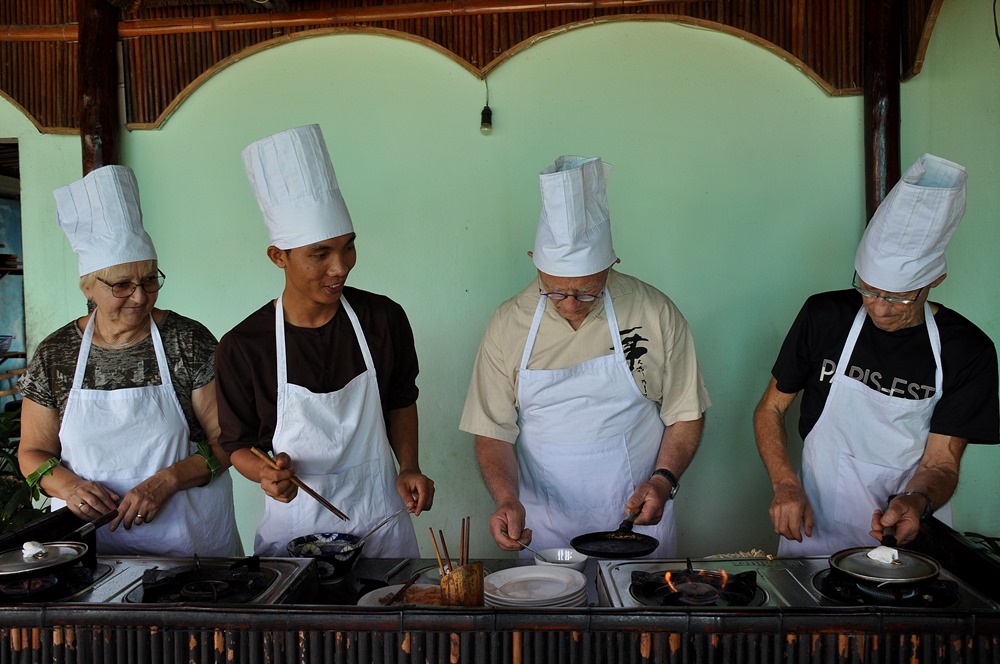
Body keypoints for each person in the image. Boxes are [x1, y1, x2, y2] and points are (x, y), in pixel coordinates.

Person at [461, 155, 711, 557]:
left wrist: (663, 481)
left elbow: (685, 412)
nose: (572, 305)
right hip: (542, 525)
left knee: (641, 619)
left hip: (636, 521)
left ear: (611, 265)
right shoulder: (509, 324)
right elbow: (492, 431)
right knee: (555, 619)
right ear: (535, 263)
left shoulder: (654, 312)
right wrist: (506, 499)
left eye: (588, 291)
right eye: (555, 291)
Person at [754, 153, 1000, 556]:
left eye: (898, 297)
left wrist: (917, 502)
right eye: (867, 289)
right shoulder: (825, 316)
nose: (879, 307)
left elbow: (941, 464)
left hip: (906, 538)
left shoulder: (967, 350)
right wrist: (784, 483)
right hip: (814, 529)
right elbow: (770, 410)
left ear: (934, 280)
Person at [217, 124, 434, 558]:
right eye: (320, 254)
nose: (340, 268)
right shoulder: (244, 345)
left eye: (347, 248)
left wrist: (408, 466)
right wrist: (265, 475)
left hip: (382, 524)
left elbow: (399, 400)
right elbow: (237, 445)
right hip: (294, 536)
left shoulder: (383, 319)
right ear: (278, 256)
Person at [17, 165, 241, 556]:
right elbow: (32, 452)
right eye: (122, 285)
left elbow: (227, 443)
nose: (140, 297)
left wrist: (167, 481)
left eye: (150, 280)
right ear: (87, 285)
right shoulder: (56, 354)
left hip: (191, 553)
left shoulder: (188, 341)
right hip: (90, 553)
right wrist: (69, 487)